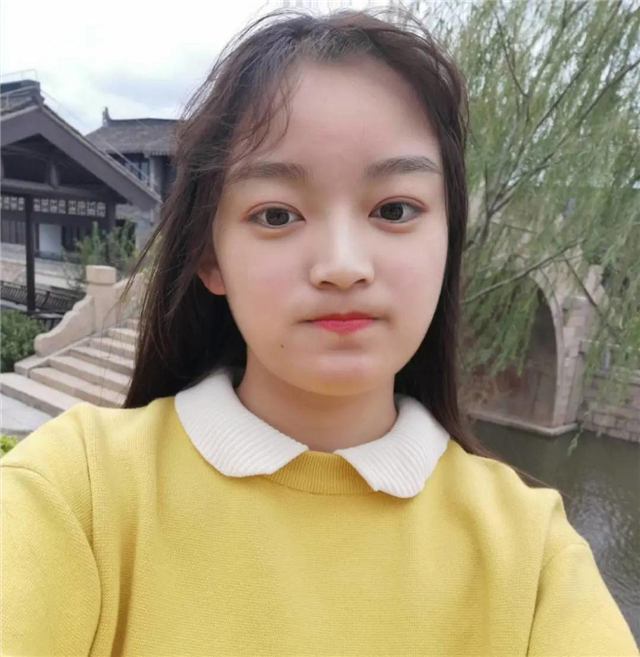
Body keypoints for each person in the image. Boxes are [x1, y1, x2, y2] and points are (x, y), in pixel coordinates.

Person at [1, 7, 637, 656]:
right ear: (209, 256)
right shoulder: (77, 491)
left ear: (448, 240)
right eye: (276, 215)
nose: (342, 265)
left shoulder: (533, 558)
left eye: (395, 209)